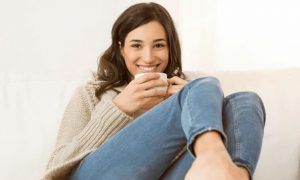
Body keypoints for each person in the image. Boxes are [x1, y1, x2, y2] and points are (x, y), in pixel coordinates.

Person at [43, 2, 266, 180]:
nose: (148, 57)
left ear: (170, 48)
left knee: (246, 101)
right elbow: (55, 168)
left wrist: (189, 102)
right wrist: (118, 109)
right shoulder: (91, 93)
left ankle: (235, 175)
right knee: (205, 85)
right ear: (121, 49)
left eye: (159, 45)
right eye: (136, 45)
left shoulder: (185, 89)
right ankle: (210, 155)